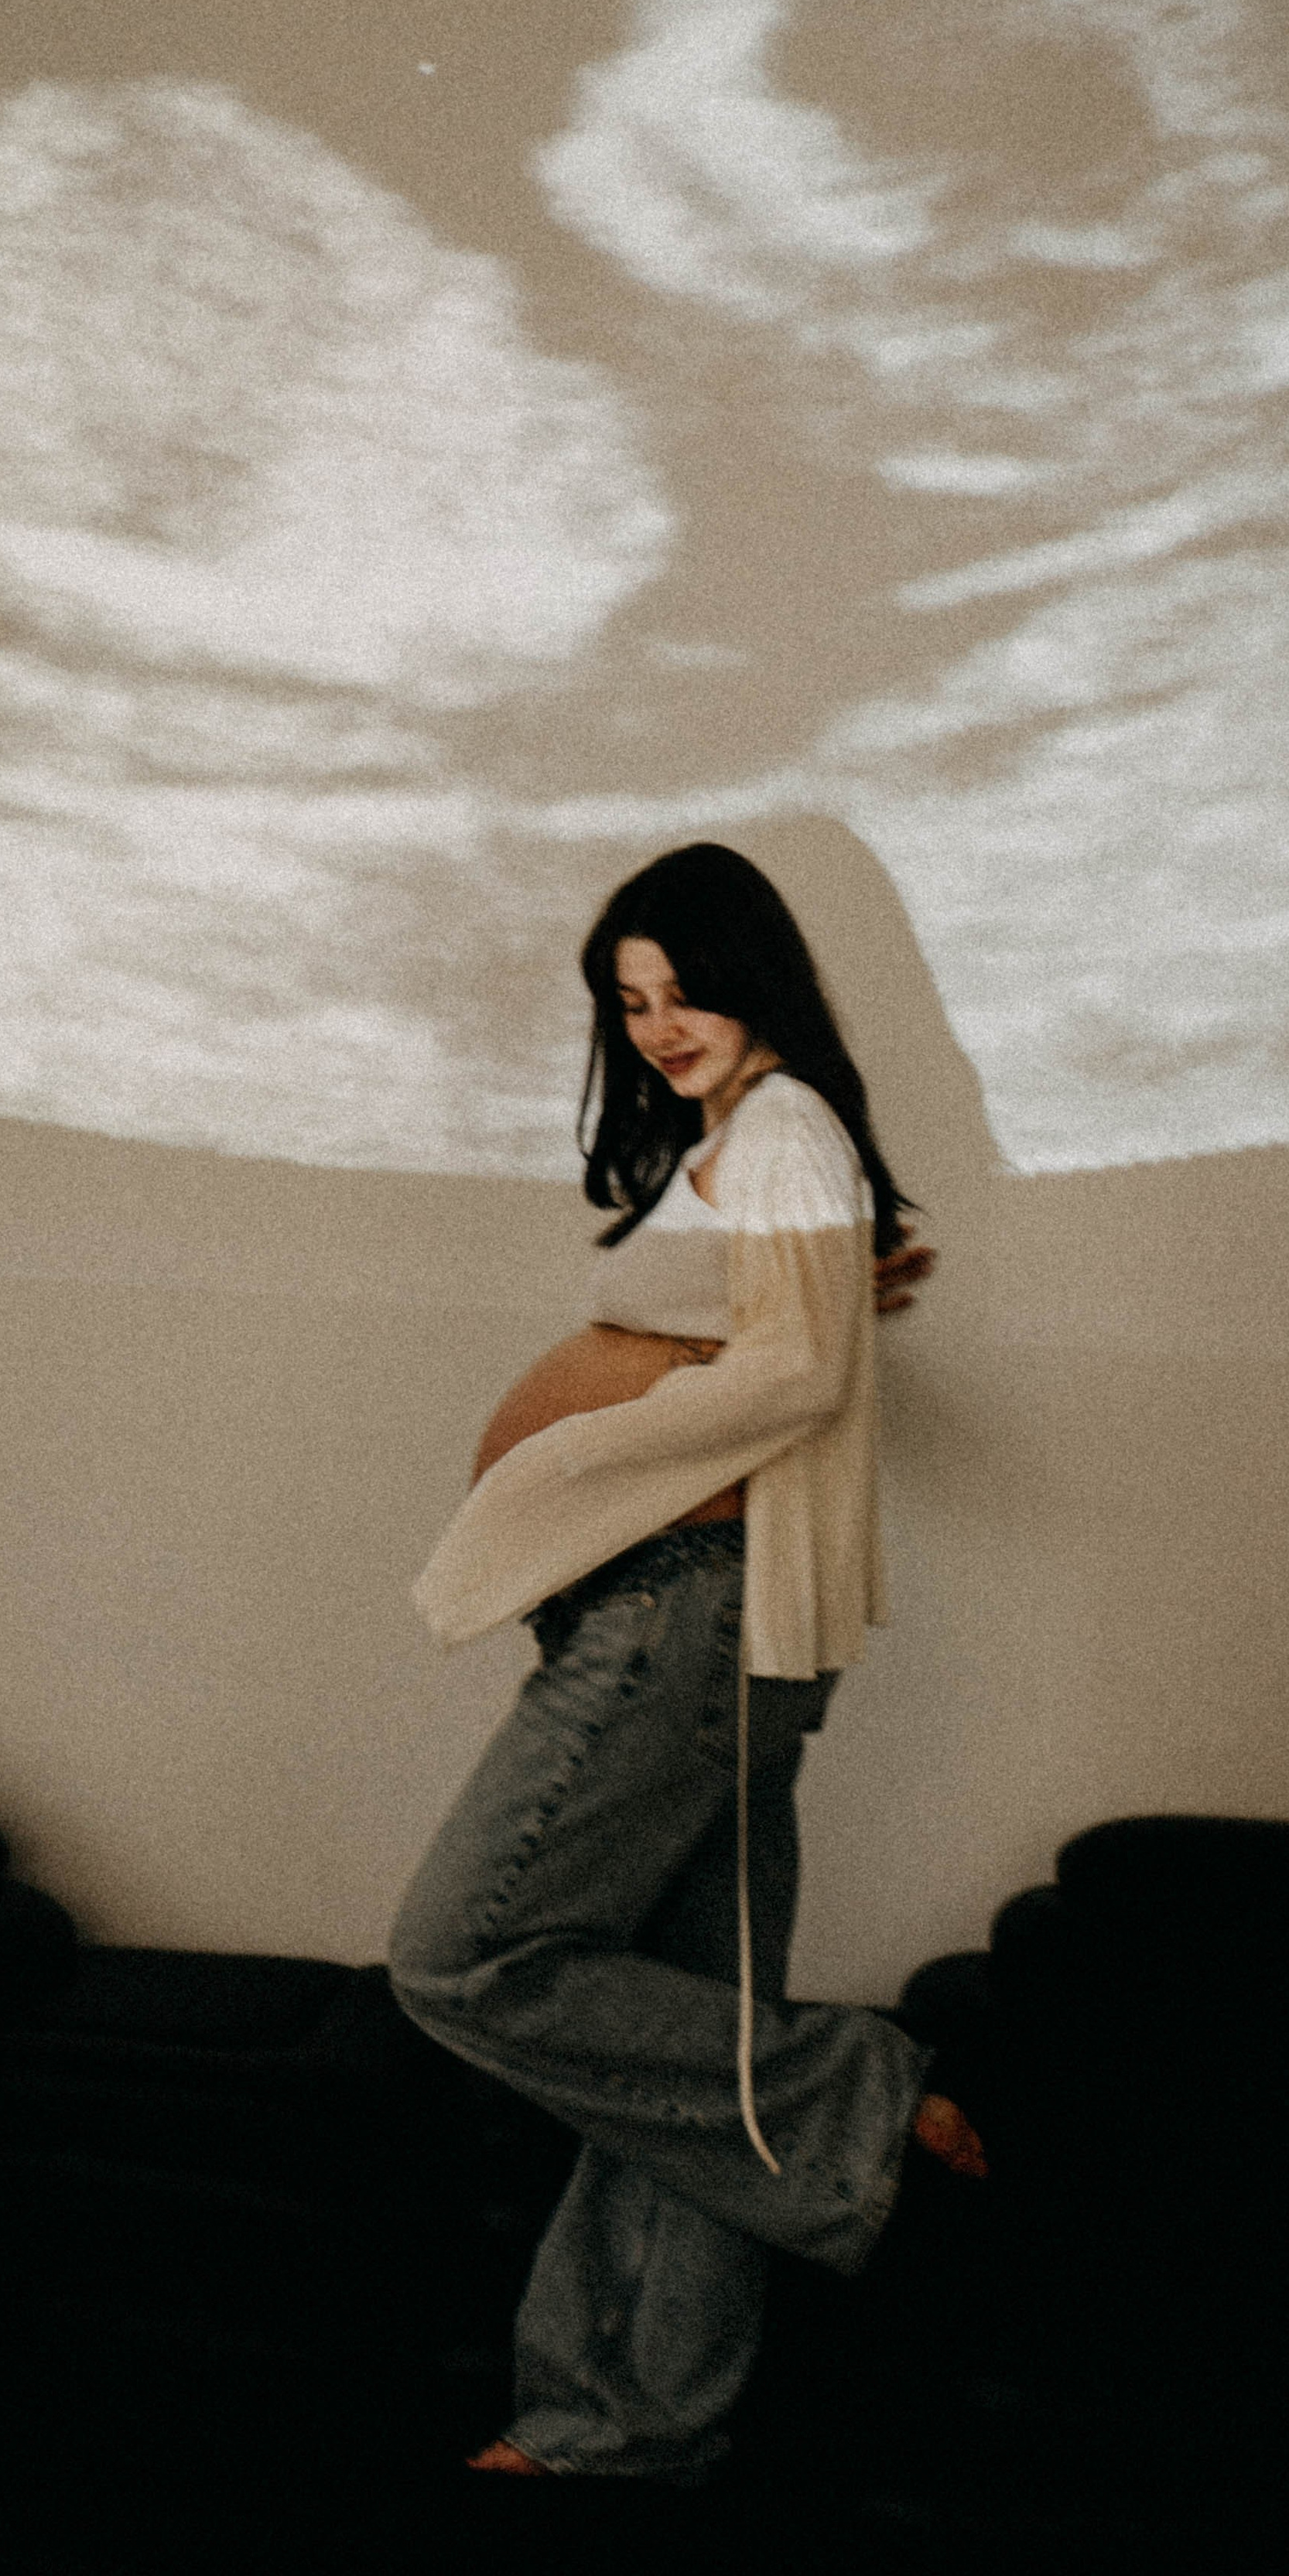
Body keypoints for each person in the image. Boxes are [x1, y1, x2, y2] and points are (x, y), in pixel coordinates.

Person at [388, 842, 984, 2489]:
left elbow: (787, 1377)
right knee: (688, 2035)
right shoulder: (751, 1143)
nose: (655, 1024)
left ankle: (854, 2094)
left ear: (755, 975)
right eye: (626, 1001)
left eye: (679, 988)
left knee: (461, 1957)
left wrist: (556, 1464)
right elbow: (785, 1327)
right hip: (677, 1610)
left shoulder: (782, 1127)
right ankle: (625, 2425)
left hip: (691, 1611)